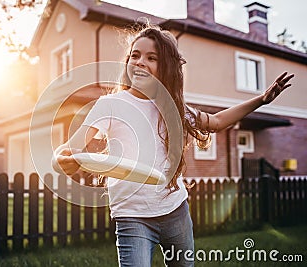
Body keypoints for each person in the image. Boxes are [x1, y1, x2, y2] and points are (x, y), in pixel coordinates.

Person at [52, 25, 294, 267]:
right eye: (134, 55)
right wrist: (60, 158)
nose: (140, 62)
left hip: (175, 210)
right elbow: (72, 148)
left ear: (165, 66)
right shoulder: (110, 105)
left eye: (151, 58)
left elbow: (217, 122)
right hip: (132, 215)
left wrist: (261, 100)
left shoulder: (173, 107)